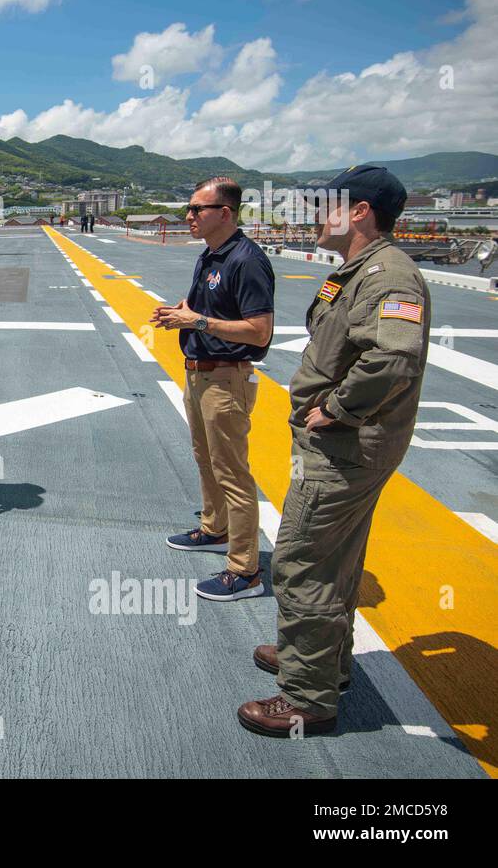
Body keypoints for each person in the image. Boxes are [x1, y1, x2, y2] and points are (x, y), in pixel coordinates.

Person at [239, 166, 426, 736]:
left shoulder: (388, 276)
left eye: (327, 206)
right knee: (337, 560)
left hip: (345, 446)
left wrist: (338, 409)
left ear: (361, 211)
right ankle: (323, 660)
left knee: (303, 561)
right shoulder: (355, 272)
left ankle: (307, 697)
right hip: (346, 445)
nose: (318, 217)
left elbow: (393, 358)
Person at [153, 176, 275, 601]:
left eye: (196, 209)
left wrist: (197, 322)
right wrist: (183, 313)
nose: (188, 216)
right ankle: (215, 528)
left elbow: (260, 331)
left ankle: (245, 570)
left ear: (224, 213)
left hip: (226, 377)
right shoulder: (211, 256)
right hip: (200, 373)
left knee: (233, 472)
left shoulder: (247, 260)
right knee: (206, 459)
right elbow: (207, 311)